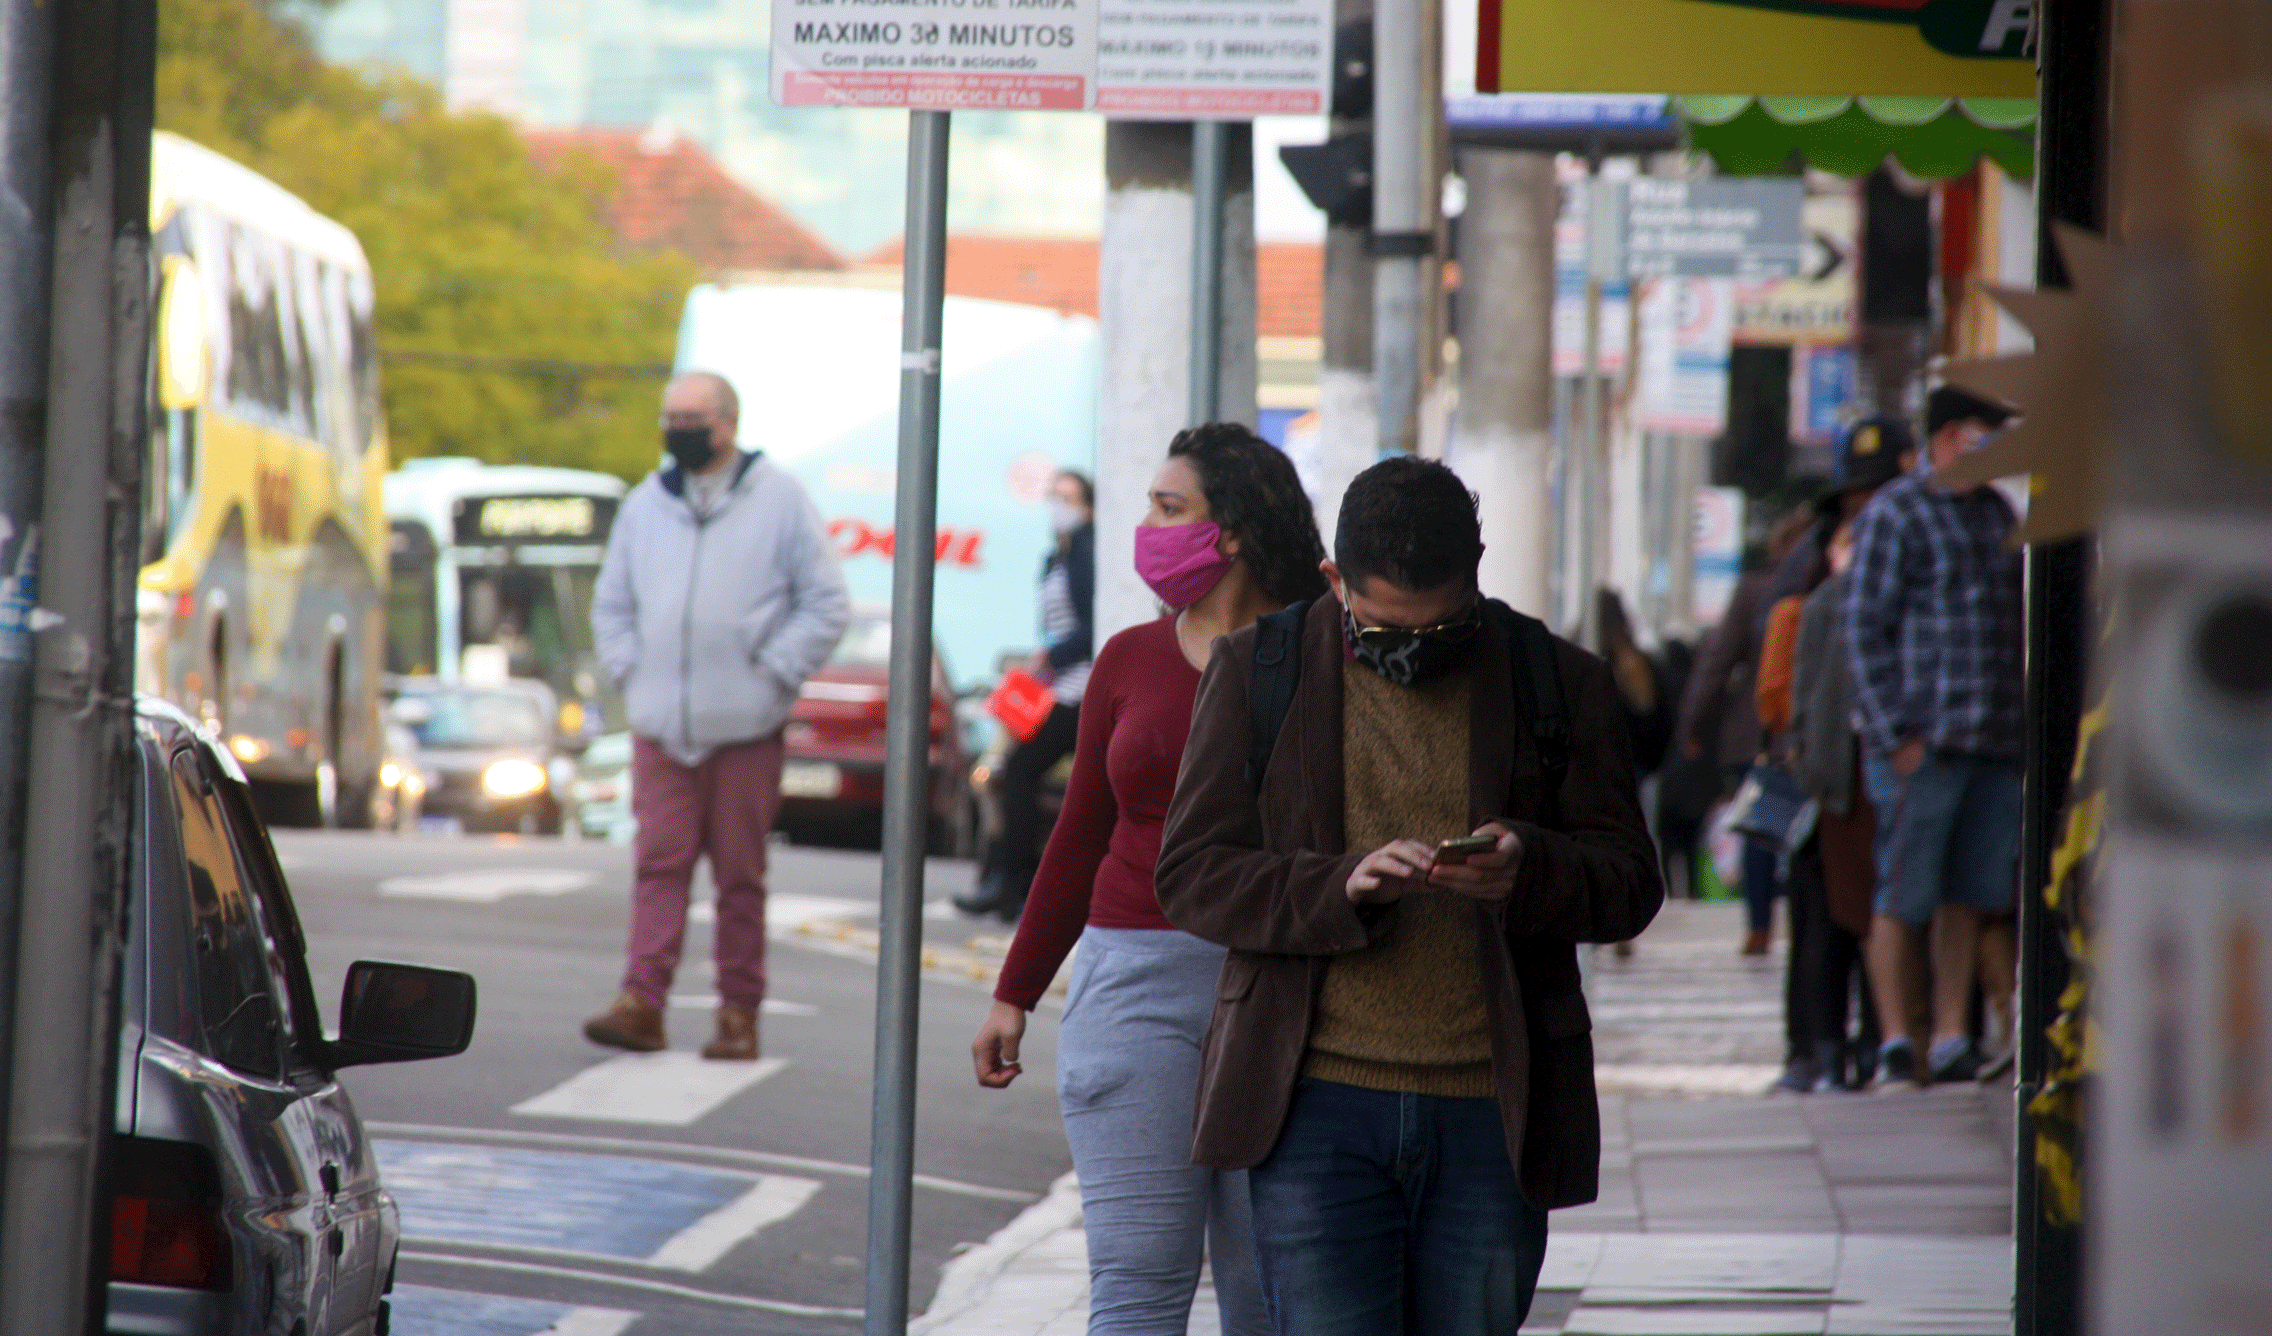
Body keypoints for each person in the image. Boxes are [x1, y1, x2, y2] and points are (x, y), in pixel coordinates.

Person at [1154, 457, 1663, 1336]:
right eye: (1383, 630)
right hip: (1312, 1109)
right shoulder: (1255, 670)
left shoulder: (1558, 679)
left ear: (1476, 573)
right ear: (1332, 581)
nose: (1414, 654)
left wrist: (1528, 867)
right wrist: (1335, 882)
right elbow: (1193, 873)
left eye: (1441, 629)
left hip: (1492, 1112)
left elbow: (1629, 882)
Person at [970, 425, 1323, 1335]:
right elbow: (1080, 830)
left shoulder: (1326, 650)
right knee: (1138, 1281)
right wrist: (1017, 991)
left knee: (1269, 1295)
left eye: (1170, 509)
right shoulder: (1127, 660)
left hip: (1285, 994)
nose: (1147, 528)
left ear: (1234, 530)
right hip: (1131, 986)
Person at [582, 370, 851, 1060]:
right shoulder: (646, 505)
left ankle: (738, 1015)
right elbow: (612, 604)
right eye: (669, 417)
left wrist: (774, 672)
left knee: (740, 879)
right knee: (658, 866)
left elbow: (825, 602)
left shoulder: (781, 500)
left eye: (691, 417)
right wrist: (630, 673)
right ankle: (641, 1001)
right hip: (661, 730)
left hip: (745, 729)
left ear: (727, 422)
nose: (677, 430)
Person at [1845, 385, 2024, 1087]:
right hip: (1923, 747)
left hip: (1992, 743)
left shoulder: (1994, 515)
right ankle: (1895, 1038)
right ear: (1951, 436)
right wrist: (1897, 737)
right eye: (1988, 432)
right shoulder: (1897, 513)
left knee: (1969, 895)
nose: (1999, 446)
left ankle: (1952, 1033)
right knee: (1903, 892)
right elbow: (1864, 630)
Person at [1756, 417, 1910, 1093]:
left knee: (1882, 911)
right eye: (1856, 504)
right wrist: (1812, 765)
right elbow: (1783, 687)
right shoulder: (1813, 579)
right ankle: (1819, 1050)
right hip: (1834, 774)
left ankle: (1883, 1042)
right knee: (1828, 918)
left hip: (1889, 764)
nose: (1867, 516)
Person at [956, 470, 1096, 921]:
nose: (1059, 504)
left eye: (1070, 497)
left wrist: (1050, 657)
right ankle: (1004, 883)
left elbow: (1092, 628)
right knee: (1009, 775)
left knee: (1018, 774)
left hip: (1079, 691)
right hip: (1058, 688)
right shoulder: (1056, 556)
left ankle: (1010, 885)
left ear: (1090, 507)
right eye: (1054, 496)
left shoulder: (1088, 552)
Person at [1677, 509, 1815, 954]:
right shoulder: (1821, 587)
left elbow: (1717, 662)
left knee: (1765, 828)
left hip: (1761, 732)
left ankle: (1760, 925)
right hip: (1798, 732)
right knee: (1804, 834)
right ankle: (1801, 922)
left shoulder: (1755, 589)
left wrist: (1695, 724)